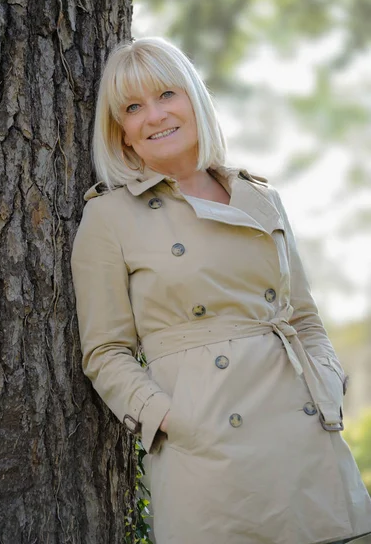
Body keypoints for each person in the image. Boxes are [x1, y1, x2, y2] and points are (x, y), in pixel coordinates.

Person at [71, 37, 371, 544]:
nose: (154, 115)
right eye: (133, 107)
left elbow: (302, 314)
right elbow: (106, 351)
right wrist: (170, 420)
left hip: (306, 441)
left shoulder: (261, 196)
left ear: (194, 99)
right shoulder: (108, 217)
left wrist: (325, 383)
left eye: (167, 94)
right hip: (208, 458)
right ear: (122, 133)